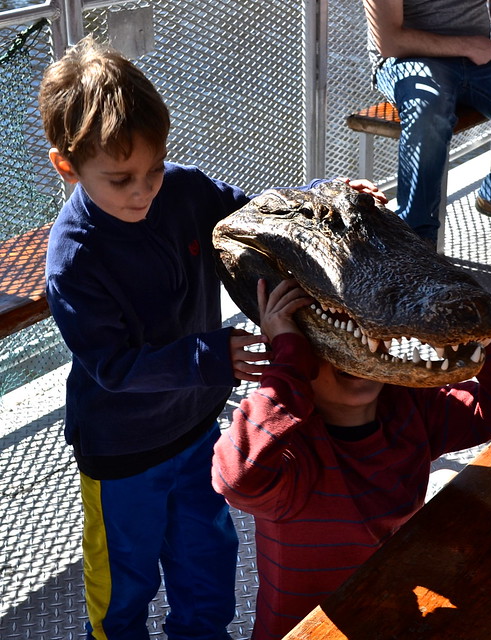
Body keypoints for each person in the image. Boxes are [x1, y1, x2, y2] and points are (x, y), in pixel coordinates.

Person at [37, 36, 384, 640]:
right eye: (122, 179)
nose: (146, 190)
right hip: (121, 457)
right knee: (123, 587)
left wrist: (332, 199)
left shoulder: (182, 189)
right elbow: (112, 366)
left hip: (195, 433)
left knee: (207, 565)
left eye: (153, 167)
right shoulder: (74, 261)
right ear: (67, 165)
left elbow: (259, 219)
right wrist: (211, 356)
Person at [211, 278, 491, 639]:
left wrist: (470, 328)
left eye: (363, 340)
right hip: (303, 630)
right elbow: (236, 476)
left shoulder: (411, 407)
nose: (353, 355)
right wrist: (286, 358)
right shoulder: (292, 456)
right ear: (297, 367)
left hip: (390, 611)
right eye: (325, 351)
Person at [362, 0, 491, 244]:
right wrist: (467, 46)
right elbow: (389, 41)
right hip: (408, 59)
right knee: (428, 115)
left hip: (480, 54)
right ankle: (417, 240)